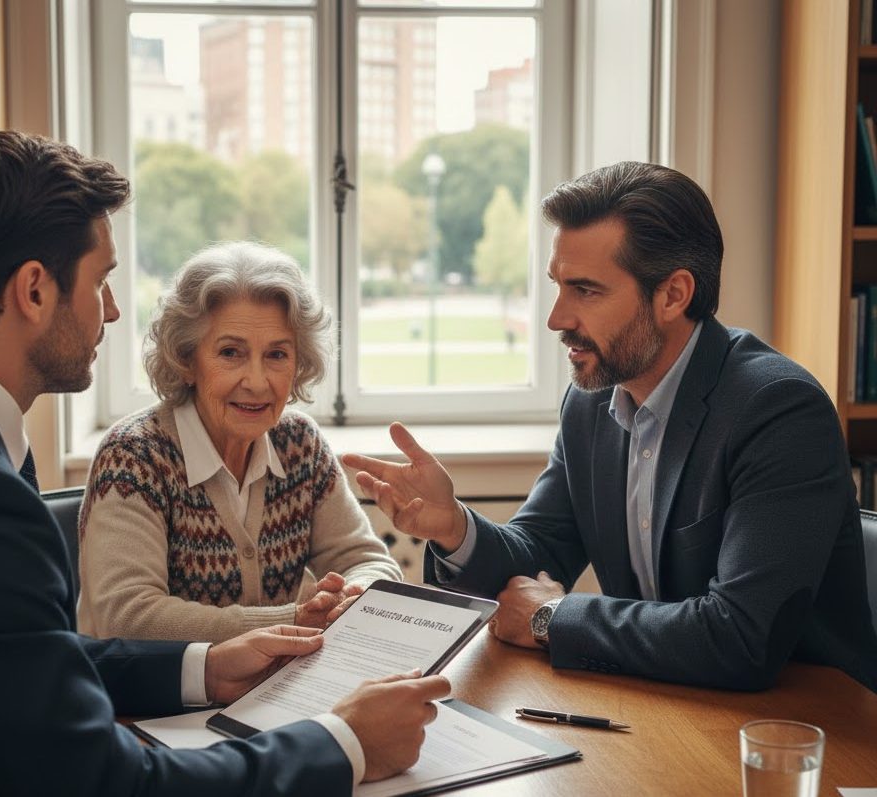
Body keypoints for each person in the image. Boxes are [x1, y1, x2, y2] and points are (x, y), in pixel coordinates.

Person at [0, 130, 449, 795]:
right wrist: (344, 743)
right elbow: (108, 783)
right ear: (32, 290)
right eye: (102, 280)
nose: (110, 310)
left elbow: (13, 659)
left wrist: (206, 667)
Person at [343, 161, 877, 693]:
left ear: (672, 295)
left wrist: (552, 617)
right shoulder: (590, 402)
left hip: (804, 729)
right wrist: (454, 529)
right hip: (670, 701)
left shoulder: (778, 410)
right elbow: (539, 550)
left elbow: (740, 637)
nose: (556, 318)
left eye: (586, 290)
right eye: (557, 285)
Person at [77, 242, 400, 644]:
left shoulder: (299, 444)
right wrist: (293, 619)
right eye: (231, 352)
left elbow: (370, 561)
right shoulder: (134, 456)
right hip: (152, 704)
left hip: (276, 693)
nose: (257, 381)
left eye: (277, 355)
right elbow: (127, 618)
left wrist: (352, 599)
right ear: (186, 360)